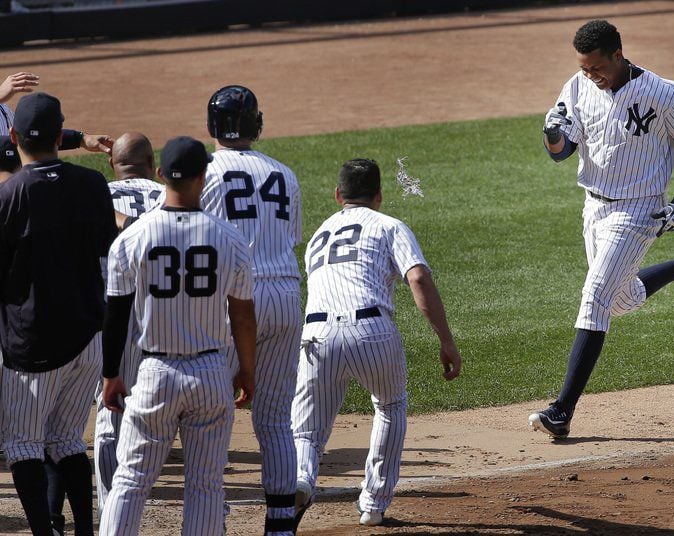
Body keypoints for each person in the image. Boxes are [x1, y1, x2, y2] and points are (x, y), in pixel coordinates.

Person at [528, 19, 674, 440]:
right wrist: (552, 135)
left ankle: (561, 410)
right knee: (621, 300)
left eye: (597, 67)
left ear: (618, 55)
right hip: (593, 208)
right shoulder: (577, 87)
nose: (590, 75)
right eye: (584, 68)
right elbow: (561, 152)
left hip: (639, 211)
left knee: (594, 297)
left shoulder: (664, 93)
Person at [99, 136, 257, 536]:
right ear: (203, 178)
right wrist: (247, 371)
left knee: (131, 481)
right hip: (209, 371)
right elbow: (242, 316)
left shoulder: (132, 238)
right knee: (205, 485)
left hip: (154, 372)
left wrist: (111, 374)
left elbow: (115, 315)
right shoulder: (230, 239)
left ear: (160, 175)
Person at [291, 158, 462, 528]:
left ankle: (302, 479)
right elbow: (417, 277)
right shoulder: (389, 225)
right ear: (380, 195)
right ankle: (373, 504)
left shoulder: (320, 234)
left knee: (307, 428)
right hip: (371, 331)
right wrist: (445, 339)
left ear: (338, 195)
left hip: (316, 335)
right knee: (389, 406)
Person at [0, 92, 118, 535]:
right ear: (59, 135)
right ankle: (86, 530)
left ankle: (44, 533)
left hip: (32, 345)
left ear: (13, 137)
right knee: (67, 438)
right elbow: (107, 254)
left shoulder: (9, 195)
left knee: (24, 445)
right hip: (88, 337)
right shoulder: (92, 186)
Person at [201, 85, 303, 535]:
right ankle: (280, 528)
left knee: (213, 420)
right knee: (277, 421)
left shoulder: (204, 172)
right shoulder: (286, 173)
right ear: (256, 125)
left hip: (234, 300)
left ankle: (213, 522)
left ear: (211, 126)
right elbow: (290, 238)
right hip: (285, 294)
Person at [93, 132, 165, 517]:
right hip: (164, 317)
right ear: (154, 166)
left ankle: (111, 510)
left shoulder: (95, 194)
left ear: (112, 164)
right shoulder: (167, 196)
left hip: (109, 316)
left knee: (111, 413)